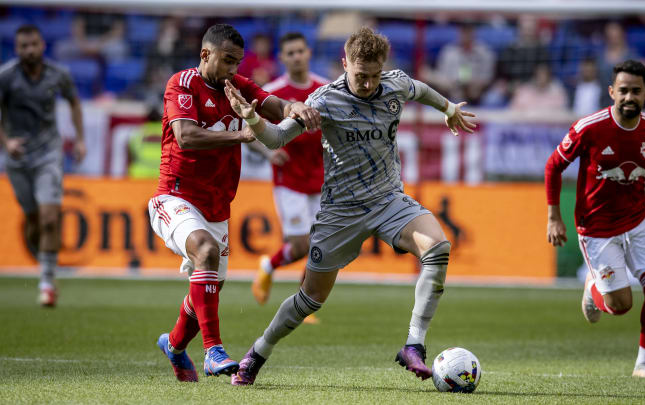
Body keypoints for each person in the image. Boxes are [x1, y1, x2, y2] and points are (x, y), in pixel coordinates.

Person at [224, 26, 476, 386]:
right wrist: (251, 119)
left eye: (374, 76)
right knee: (310, 299)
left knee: (438, 247)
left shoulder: (395, 84)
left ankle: (414, 345)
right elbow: (277, 137)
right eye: (361, 76)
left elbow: (420, 90)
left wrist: (449, 109)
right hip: (341, 212)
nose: (369, 84)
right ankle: (257, 353)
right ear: (345, 64)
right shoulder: (323, 101)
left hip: (389, 200)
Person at [149, 24, 320, 383]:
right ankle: (214, 350)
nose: (232, 69)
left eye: (237, 62)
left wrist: (295, 107)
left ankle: (175, 346)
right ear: (205, 54)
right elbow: (186, 136)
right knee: (207, 253)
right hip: (174, 195)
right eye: (227, 60)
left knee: (206, 289)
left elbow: (274, 105)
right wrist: (242, 134)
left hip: (216, 206)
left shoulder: (239, 87)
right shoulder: (181, 84)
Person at [544, 60, 645, 379]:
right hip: (596, 228)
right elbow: (553, 166)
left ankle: (644, 364)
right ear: (612, 92)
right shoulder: (590, 128)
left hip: (638, 220)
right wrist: (554, 217)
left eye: (636, 91)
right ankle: (593, 288)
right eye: (623, 91)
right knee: (621, 305)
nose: (629, 97)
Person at [0, 25, 85, 307]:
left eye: (34, 44)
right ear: (17, 49)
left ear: (42, 45)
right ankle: (44, 262)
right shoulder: (7, 77)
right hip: (18, 156)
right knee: (34, 219)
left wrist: (80, 139)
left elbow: (74, 102)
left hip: (49, 152)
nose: (30, 50)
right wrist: (6, 142)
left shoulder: (57, 74)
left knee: (50, 217)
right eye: (24, 46)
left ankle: (47, 282)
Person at [246, 33, 329, 322]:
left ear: (308, 53)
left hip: (322, 178)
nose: (296, 57)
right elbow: (249, 129)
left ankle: (303, 305)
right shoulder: (272, 93)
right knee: (300, 245)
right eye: (290, 53)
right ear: (282, 58)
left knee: (321, 243)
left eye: (300, 51)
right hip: (289, 178)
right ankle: (268, 265)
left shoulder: (324, 90)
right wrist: (269, 153)